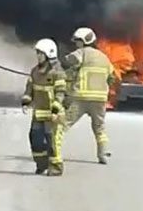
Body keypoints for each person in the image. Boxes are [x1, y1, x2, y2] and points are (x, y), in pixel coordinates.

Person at [61, 27, 116, 165]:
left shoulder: (81, 52)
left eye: (78, 41)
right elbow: (112, 78)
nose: (76, 44)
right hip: (99, 99)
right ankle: (102, 154)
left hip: (81, 97)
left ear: (84, 41)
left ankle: (52, 151)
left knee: (63, 124)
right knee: (99, 128)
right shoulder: (104, 57)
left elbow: (67, 61)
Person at [21, 38, 67, 176]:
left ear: (49, 54)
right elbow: (30, 88)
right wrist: (26, 102)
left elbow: (60, 92)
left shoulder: (57, 72)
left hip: (53, 114)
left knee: (53, 142)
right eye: (38, 53)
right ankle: (41, 164)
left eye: (41, 53)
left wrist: (55, 110)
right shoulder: (35, 71)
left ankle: (56, 167)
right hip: (39, 113)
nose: (38, 56)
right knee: (35, 139)